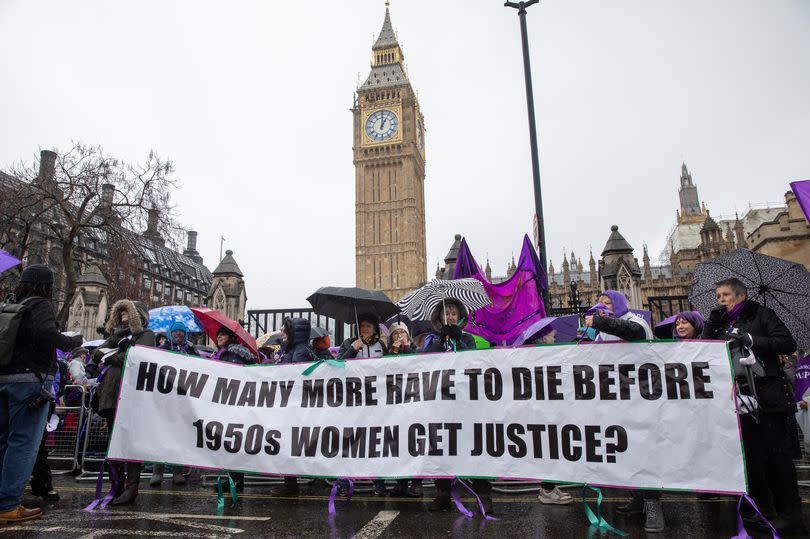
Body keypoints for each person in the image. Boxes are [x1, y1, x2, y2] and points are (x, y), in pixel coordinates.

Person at [702, 278, 805, 533]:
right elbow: (704, 347)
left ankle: (790, 514)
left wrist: (751, 340)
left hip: (769, 398)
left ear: (741, 295)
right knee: (752, 459)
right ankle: (763, 511)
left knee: (777, 459)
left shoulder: (762, 315)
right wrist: (713, 322)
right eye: (718, 296)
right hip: (740, 399)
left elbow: (786, 343)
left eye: (725, 295)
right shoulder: (724, 322)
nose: (721, 299)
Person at [0, 265, 83, 523]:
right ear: (46, 286)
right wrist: (71, 342)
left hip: (5, 379)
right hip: (30, 382)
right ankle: (8, 504)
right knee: (23, 443)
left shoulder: (12, 304)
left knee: (3, 442)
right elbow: (47, 335)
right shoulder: (40, 304)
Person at [584, 291, 662, 533]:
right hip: (613, 399)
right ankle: (638, 496)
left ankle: (653, 504)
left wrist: (599, 321)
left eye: (608, 303)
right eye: (600, 303)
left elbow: (633, 334)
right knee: (626, 450)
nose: (603, 306)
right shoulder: (601, 332)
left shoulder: (636, 321)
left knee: (646, 449)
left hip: (640, 398)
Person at [424, 300, 493, 514]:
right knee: (441, 447)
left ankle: (483, 493)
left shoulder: (467, 338)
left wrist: (457, 341)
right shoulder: (433, 339)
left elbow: (473, 361)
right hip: (441, 404)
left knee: (472, 446)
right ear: (440, 318)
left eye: (454, 313)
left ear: (459, 316)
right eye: (447, 313)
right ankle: (443, 493)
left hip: (465, 404)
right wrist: (442, 341)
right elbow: (424, 360)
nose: (451, 317)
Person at [91, 299, 155, 506]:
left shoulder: (146, 335)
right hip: (110, 395)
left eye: (129, 311)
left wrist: (112, 357)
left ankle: (131, 487)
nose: (124, 315)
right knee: (113, 443)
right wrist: (115, 343)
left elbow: (138, 358)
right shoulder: (116, 335)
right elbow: (96, 355)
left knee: (130, 442)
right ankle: (115, 484)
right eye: (122, 312)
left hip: (131, 396)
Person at [151, 321, 196, 488]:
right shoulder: (162, 351)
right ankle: (157, 472)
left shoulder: (191, 350)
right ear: (170, 333)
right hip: (164, 400)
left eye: (182, 332)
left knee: (179, 437)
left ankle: (178, 472)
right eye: (176, 332)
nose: (179, 334)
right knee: (161, 435)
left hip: (183, 401)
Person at [211, 326, 256, 493]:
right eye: (218, 334)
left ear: (230, 336)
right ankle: (232, 479)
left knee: (234, 441)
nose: (219, 337)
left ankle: (236, 481)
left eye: (222, 334)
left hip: (235, 403)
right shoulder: (221, 353)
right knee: (228, 442)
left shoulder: (234, 353)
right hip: (224, 403)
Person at [384, 322, 423, 498]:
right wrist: (393, 351)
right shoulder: (389, 352)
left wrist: (406, 350)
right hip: (395, 403)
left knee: (414, 442)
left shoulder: (415, 350)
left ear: (408, 336)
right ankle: (401, 482)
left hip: (413, 402)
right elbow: (381, 369)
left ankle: (416, 482)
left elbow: (417, 366)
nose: (399, 336)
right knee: (398, 443)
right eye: (395, 334)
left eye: (402, 333)